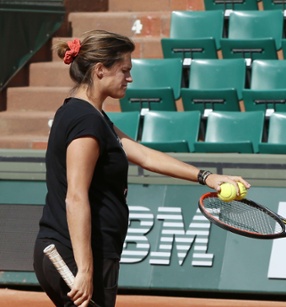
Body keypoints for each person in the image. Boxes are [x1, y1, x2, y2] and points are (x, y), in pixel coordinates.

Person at [33, 29, 250, 307]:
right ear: (100, 70)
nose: (129, 78)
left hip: (76, 252)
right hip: (77, 256)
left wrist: (207, 177)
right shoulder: (85, 121)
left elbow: (145, 156)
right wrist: (85, 269)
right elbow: (75, 197)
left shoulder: (91, 117)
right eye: (124, 70)